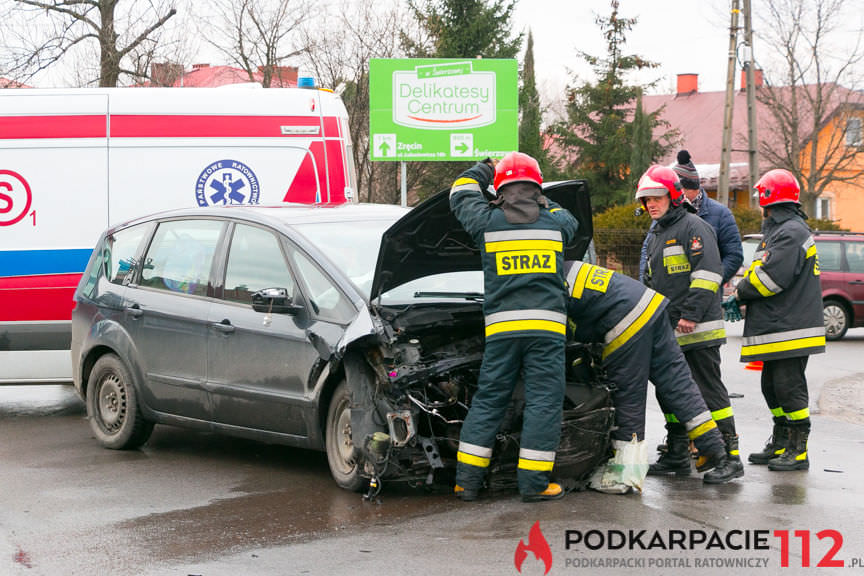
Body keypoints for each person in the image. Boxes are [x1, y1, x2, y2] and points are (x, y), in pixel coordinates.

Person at [449, 152, 579, 502]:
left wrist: (484, 169)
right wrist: (539, 197)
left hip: (502, 332)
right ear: (537, 186)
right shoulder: (556, 223)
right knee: (543, 403)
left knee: (489, 400)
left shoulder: (486, 221)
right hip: (546, 331)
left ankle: (467, 483)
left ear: (501, 188)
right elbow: (571, 219)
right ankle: (535, 485)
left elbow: (460, 191)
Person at [564, 260, 728, 492]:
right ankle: (713, 449)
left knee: (627, 394)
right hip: (651, 305)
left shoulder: (543, 282)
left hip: (624, 316)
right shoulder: (564, 265)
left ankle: (625, 474)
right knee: (677, 382)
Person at [638, 165, 743, 484]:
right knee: (670, 394)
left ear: (672, 196)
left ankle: (729, 455)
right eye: (645, 200)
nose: (650, 205)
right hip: (670, 330)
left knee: (708, 393)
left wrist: (690, 315)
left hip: (696, 329)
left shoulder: (693, 227)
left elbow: (709, 274)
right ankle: (678, 452)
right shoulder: (657, 234)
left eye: (656, 198)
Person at [725, 169, 825, 471]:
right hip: (779, 325)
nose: (758, 202)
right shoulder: (779, 231)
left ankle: (798, 450)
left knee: (789, 388)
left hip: (791, 327)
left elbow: (771, 279)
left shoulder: (790, 232)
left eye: (760, 196)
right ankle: (782, 441)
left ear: (770, 197)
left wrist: (739, 294)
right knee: (773, 387)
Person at [639, 150, 744, 286]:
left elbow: (734, 256)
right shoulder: (663, 214)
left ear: (687, 188)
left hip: (704, 296)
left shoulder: (721, 214)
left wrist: (709, 283)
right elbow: (647, 252)